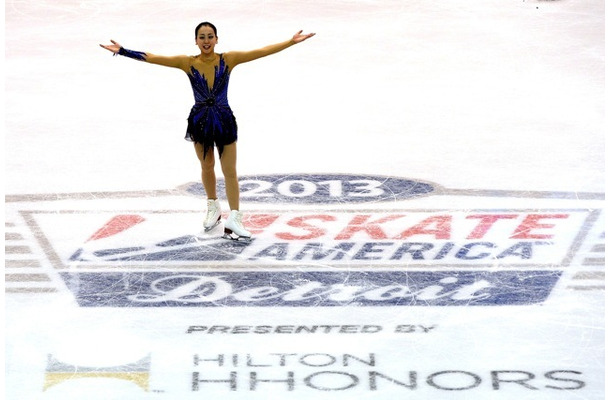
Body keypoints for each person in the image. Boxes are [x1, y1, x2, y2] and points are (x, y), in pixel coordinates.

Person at [100, 22, 315, 239]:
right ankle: (213, 208)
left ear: (217, 39)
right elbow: (155, 57)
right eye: (201, 37)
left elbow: (259, 52)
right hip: (201, 121)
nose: (206, 41)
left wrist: (290, 42)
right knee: (207, 165)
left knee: (230, 171)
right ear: (195, 41)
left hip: (223, 120)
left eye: (210, 36)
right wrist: (124, 51)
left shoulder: (228, 60)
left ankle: (234, 219)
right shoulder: (187, 62)